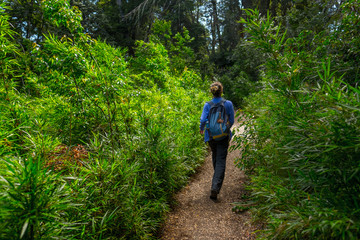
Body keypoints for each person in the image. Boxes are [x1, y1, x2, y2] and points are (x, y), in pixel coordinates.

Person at [199, 82, 235, 201]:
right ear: (221, 91)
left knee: (215, 156)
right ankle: (215, 186)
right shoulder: (228, 104)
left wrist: (201, 128)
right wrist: (224, 129)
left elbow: (203, 119)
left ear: (212, 92)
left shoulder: (207, 105)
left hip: (211, 136)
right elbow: (232, 120)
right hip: (223, 136)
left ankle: (216, 180)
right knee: (220, 160)